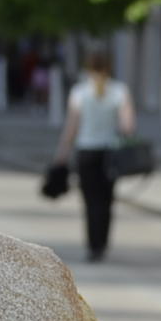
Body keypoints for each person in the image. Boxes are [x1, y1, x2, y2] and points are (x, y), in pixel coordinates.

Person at [54, 49, 139, 262]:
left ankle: (93, 245)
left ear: (88, 69)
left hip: (86, 152)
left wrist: (61, 156)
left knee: (90, 201)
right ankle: (102, 244)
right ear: (108, 68)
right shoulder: (120, 91)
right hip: (110, 154)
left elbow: (71, 129)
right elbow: (128, 126)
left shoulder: (79, 92)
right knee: (107, 200)